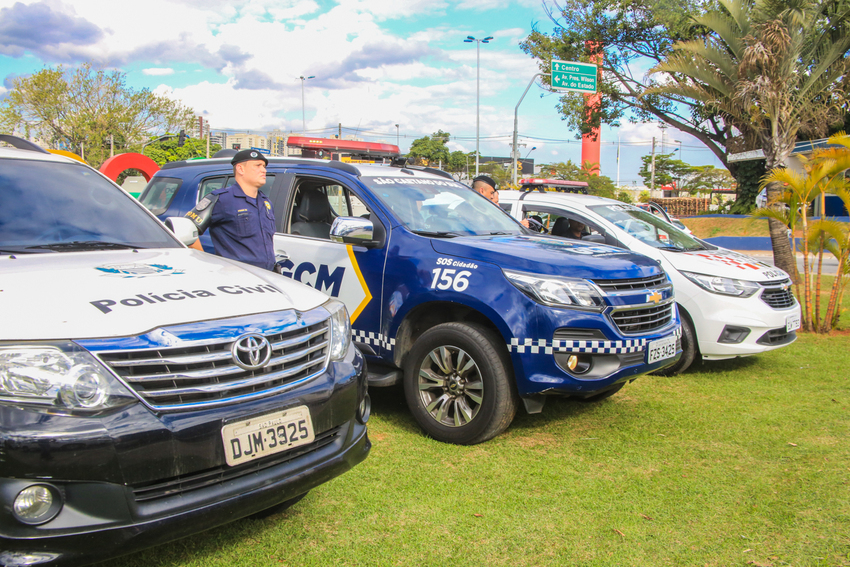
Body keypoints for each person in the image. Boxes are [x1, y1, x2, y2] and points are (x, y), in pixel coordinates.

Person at [185, 149, 276, 270]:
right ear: (240, 169)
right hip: (238, 278)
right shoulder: (222, 199)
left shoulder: (266, 202)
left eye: (264, 166)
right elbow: (185, 230)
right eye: (257, 165)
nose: (263, 170)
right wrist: (204, 261)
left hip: (267, 277)